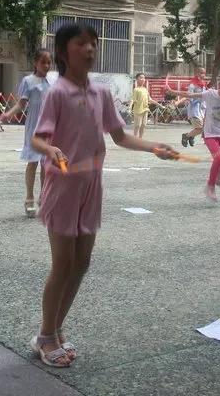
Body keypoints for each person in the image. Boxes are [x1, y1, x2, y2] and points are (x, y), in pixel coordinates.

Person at [29, 23, 176, 368]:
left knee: (81, 263)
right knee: (62, 264)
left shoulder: (101, 92)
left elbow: (120, 137)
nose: (91, 48)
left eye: (94, 43)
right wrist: (50, 151)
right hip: (63, 185)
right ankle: (45, 336)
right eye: (82, 43)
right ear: (65, 52)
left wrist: (155, 146)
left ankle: (55, 327)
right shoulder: (58, 92)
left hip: (92, 185)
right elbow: (38, 137)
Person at [166, 70, 220, 201]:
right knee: (218, 158)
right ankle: (210, 187)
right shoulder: (210, 94)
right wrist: (173, 92)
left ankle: (218, 173)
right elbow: (189, 94)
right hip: (210, 134)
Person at [0, 49, 55, 218]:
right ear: (35, 63)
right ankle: (29, 197)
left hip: (49, 127)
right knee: (33, 162)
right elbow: (21, 104)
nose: (46, 65)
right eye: (43, 62)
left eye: (48, 62)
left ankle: (43, 197)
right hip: (34, 127)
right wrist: (9, 113)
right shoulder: (28, 81)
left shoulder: (51, 82)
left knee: (46, 164)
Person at [181, 67, 207, 148]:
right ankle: (187, 136)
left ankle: (191, 136)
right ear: (197, 73)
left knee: (202, 128)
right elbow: (188, 96)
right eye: (201, 73)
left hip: (202, 109)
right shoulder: (192, 84)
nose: (203, 75)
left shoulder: (203, 84)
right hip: (194, 109)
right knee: (200, 128)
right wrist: (180, 101)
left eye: (204, 73)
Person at [129, 73, 161, 139]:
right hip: (138, 110)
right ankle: (135, 140)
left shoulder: (145, 89)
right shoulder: (136, 89)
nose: (143, 79)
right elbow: (132, 100)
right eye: (141, 77)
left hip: (145, 109)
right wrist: (129, 108)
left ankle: (140, 139)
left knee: (143, 125)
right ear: (137, 79)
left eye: (143, 78)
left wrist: (159, 104)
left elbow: (150, 99)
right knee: (137, 125)